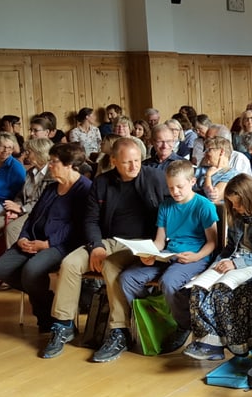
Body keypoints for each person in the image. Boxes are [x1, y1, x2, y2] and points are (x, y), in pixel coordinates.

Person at [41, 137, 169, 362]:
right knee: (69, 264)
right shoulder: (102, 183)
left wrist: (159, 246)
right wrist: (96, 246)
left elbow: (174, 209)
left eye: (137, 160)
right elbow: (90, 220)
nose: (133, 166)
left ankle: (119, 331)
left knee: (110, 267)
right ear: (114, 161)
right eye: (127, 162)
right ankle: (63, 325)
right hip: (107, 240)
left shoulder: (155, 177)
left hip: (140, 244)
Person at [120, 160, 218, 355]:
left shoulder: (203, 206)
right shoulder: (165, 206)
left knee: (169, 282)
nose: (175, 192)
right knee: (127, 278)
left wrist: (196, 256)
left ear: (192, 182)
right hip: (168, 254)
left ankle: (184, 325)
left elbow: (212, 242)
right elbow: (159, 241)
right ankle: (155, 314)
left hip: (194, 256)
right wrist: (149, 254)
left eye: (179, 187)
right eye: (171, 187)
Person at [184, 174, 252, 359]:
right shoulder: (237, 217)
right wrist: (215, 266)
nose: (236, 208)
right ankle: (209, 342)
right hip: (234, 261)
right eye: (233, 204)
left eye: (239, 203)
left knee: (222, 292)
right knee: (198, 289)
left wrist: (235, 263)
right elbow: (230, 247)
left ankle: (238, 345)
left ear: (250, 199)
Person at [0, 143, 91, 332]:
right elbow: (33, 217)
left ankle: (48, 319)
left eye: (54, 162)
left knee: (32, 271)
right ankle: (52, 303)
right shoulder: (51, 187)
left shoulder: (85, 189)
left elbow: (78, 228)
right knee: (1, 268)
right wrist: (23, 237)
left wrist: (47, 244)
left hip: (62, 245)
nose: (50, 165)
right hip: (34, 240)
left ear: (69, 164)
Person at [195, 136, 241, 203]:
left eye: (208, 150)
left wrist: (208, 176)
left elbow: (213, 198)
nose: (205, 153)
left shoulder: (231, 175)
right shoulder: (202, 169)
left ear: (221, 152)